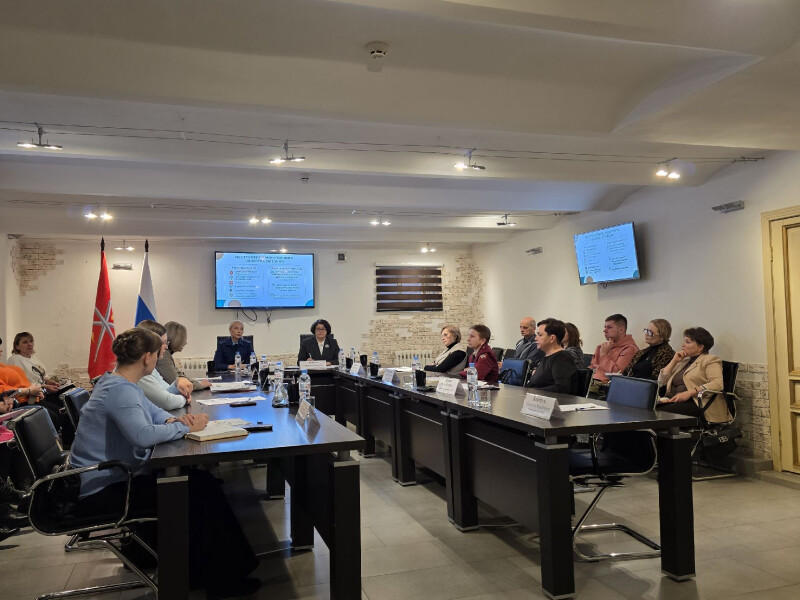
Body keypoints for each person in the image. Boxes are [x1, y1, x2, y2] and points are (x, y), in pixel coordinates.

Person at [69, 327, 260, 594]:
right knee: (200, 489)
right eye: (157, 354)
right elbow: (143, 435)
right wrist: (185, 427)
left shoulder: (119, 383)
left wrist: (178, 420)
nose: (159, 359)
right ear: (147, 357)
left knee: (200, 482)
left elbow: (157, 414)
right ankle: (221, 580)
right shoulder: (119, 391)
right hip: (104, 490)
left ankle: (202, 571)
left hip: (114, 478)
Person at [657, 327, 727, 421]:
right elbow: (661, 382)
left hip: (697, 403)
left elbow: (717, 384)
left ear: (700, 347)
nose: (682, 345)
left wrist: (690, 393)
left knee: (657, 414)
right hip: (674, 400)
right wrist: (674, 361)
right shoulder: (684, 361)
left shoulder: (710, 360)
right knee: (648, 408)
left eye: (688, 342)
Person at [136, 320, 193, 410]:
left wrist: (177, 384)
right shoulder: (139, 369)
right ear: (152, 344)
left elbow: (166, 390)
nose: (166, 347)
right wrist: (185, 399)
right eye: (163, 343)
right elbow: (167, 402)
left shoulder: (150, 368)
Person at [526, 319, 577, 393]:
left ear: (552, 338)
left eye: (540, 335)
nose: (536, 338)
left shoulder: (562, 358)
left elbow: (561, 387)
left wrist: (534, 392)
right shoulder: (547, 357)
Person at [156, 321, 210, 391]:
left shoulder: (167, 354)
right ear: (176, 339)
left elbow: (181, 376)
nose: (185, 343)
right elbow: (178, 383)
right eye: (183, 339)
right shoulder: (164, 356)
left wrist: (197, 383)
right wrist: (200, 385)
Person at [589, 314, 639, 386]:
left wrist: (604, 355)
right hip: (591, 382)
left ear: (621, 329)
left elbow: (616, 373)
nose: (604, 330)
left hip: (605, 387)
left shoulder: (630, 349)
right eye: (605, 327)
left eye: (609, 327)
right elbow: (592, 367)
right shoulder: (602, 347)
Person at [0, 336, 44, 406]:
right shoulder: (14, 359)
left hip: (33, 397)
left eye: (31, 341)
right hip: (23, 402)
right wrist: (28, 391)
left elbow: (24, 381)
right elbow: (3, 390)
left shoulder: (4, 366)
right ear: (17, 346)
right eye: (25, 342)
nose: (1, 350)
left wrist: (34, 387)